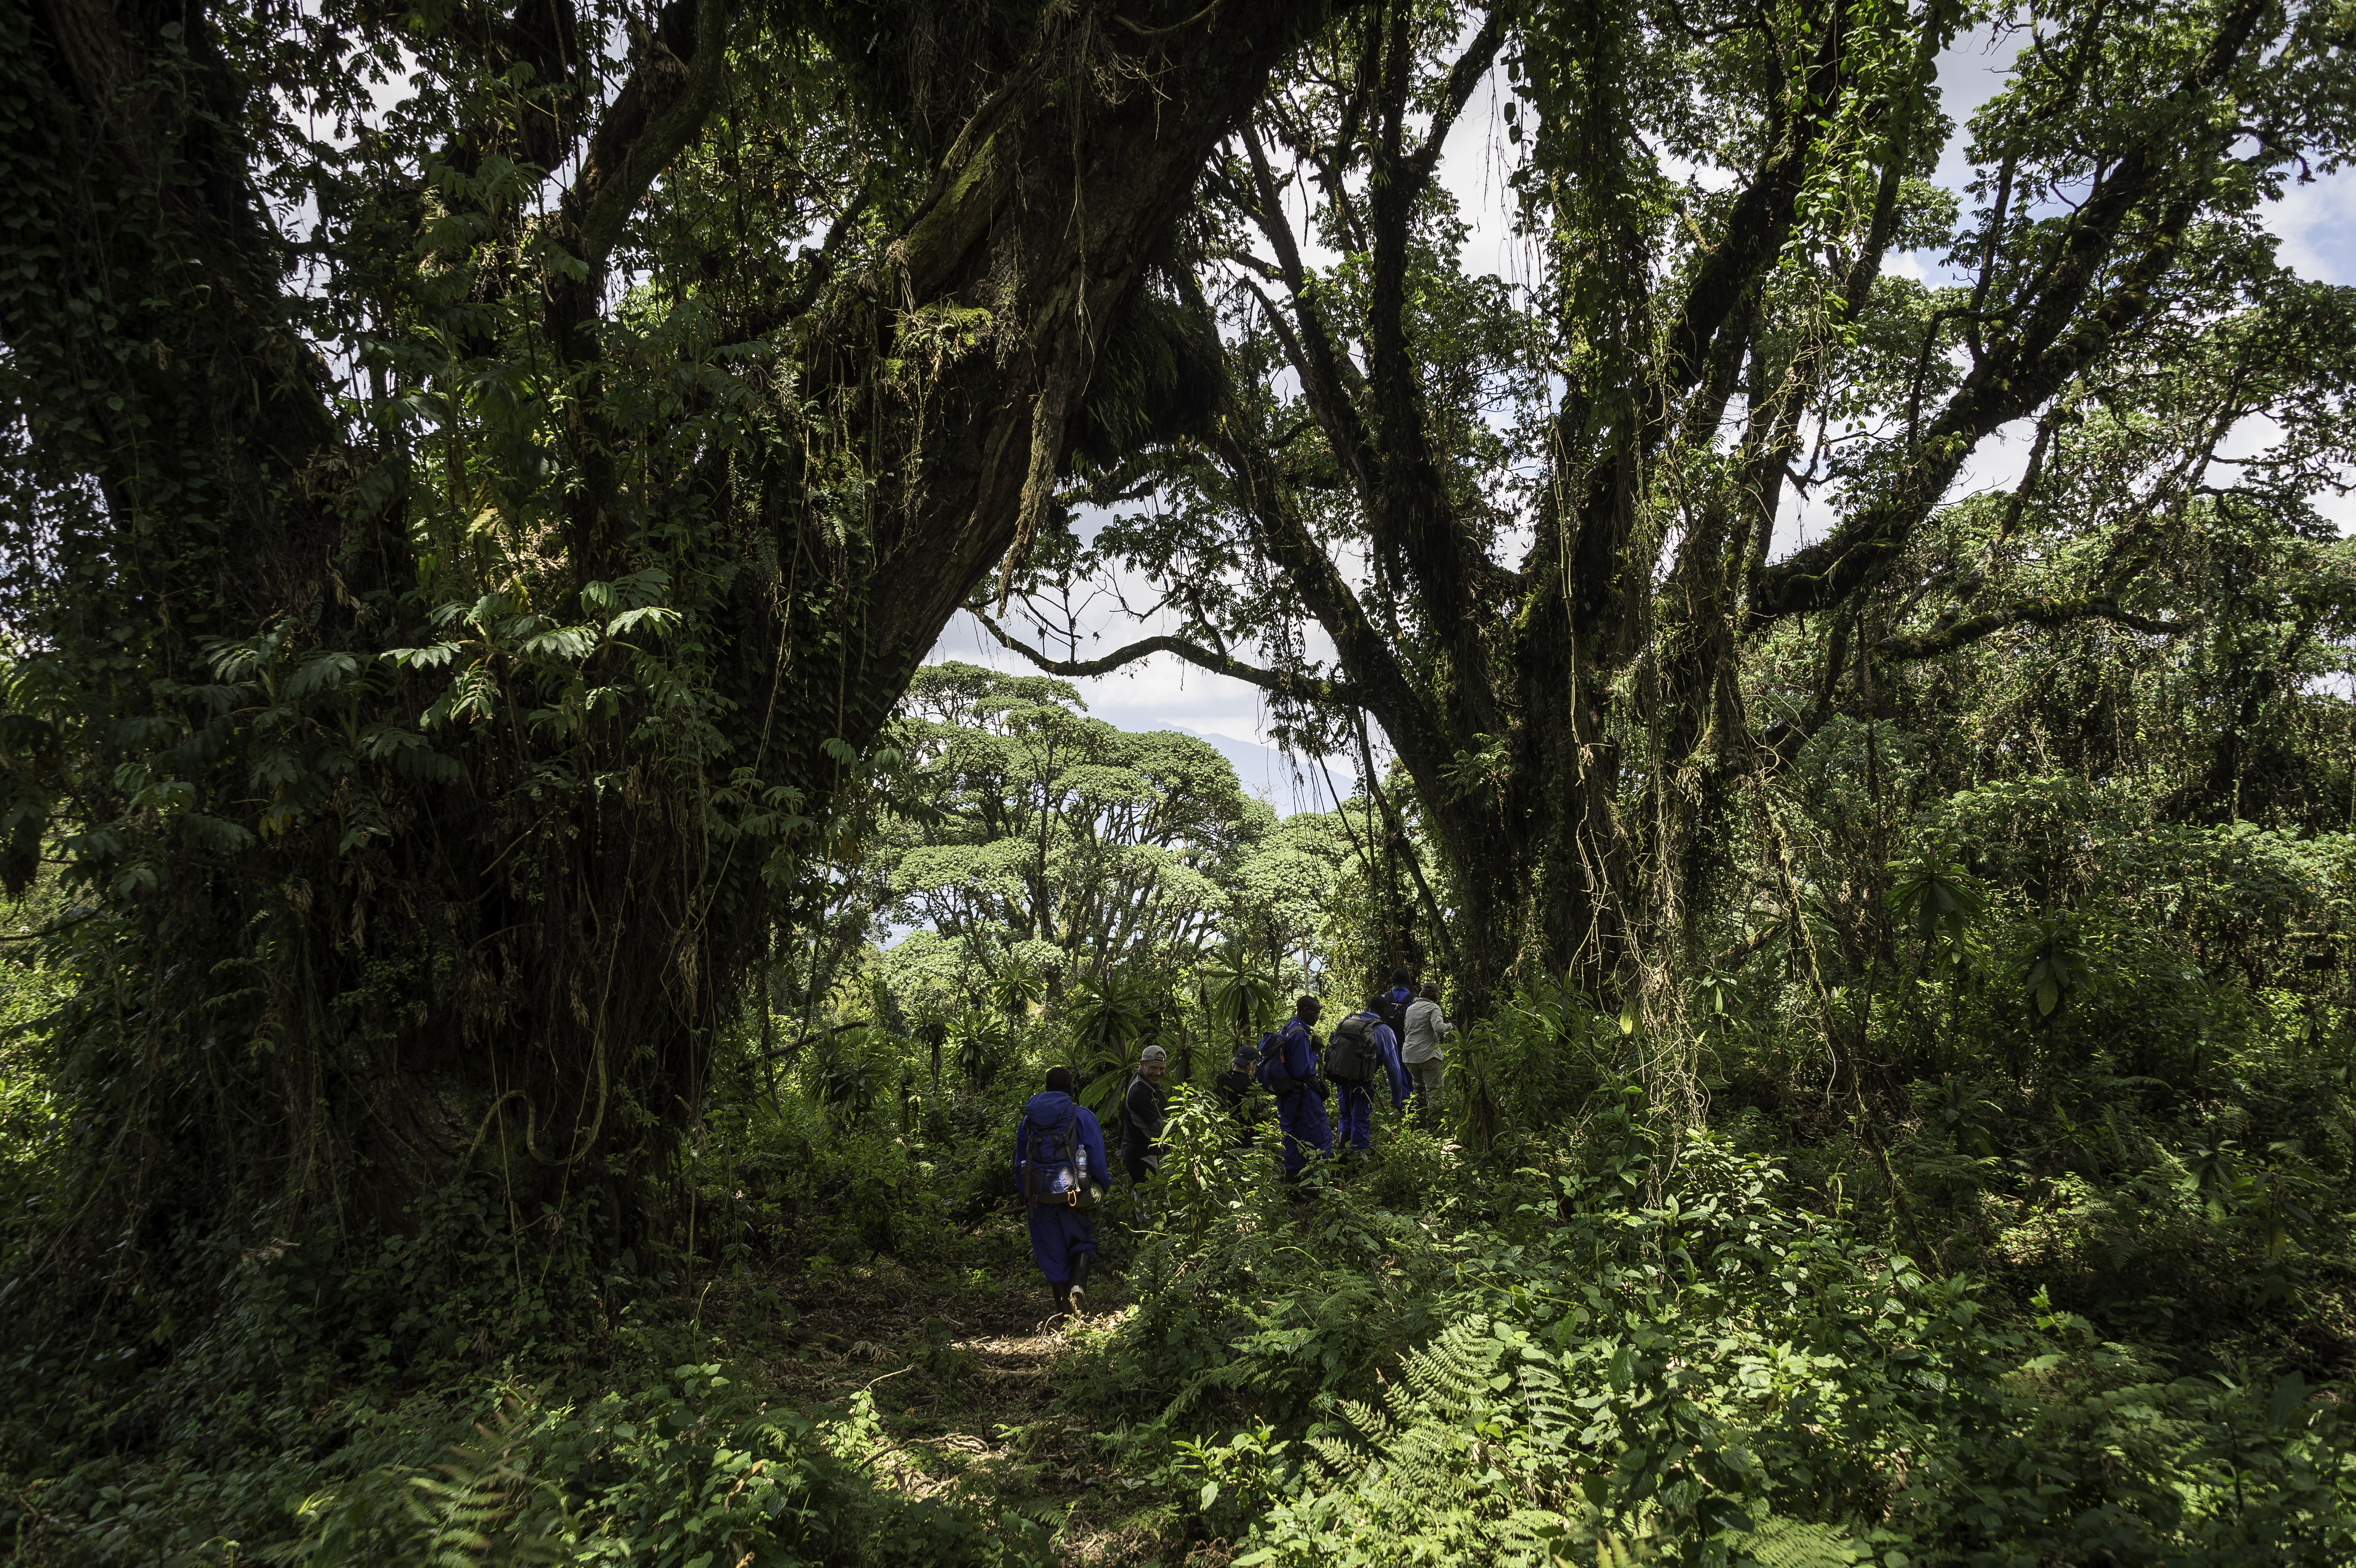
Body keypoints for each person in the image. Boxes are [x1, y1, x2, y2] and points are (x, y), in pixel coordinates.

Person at [1013, 1066, 1108, 1317]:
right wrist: (1100, 1187)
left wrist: (1029, 1197)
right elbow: (1097, 1161)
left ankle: (1065, 1317)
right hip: (1074, 1194)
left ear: (1046, 1089)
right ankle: (1079, 1288)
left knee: (1051, 1253)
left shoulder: (1029, 1122)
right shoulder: (1083, 1117)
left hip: (1040, 1199)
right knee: (1081, 1242)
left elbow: (1019, 1165)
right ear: (1072, 1089)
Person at [1260, 995, 1333, 1183]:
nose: (1318, 1017)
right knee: (1320, 1137)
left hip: (1286, 1095)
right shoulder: (1300, 1033)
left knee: (1291, 1138)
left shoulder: (1287, 1027)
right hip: (1302, 1096)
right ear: (1306, 1011)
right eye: (1316, 1013)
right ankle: (1318, 1185)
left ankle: (1292, 1185)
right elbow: (1303, 1070)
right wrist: (1315, 1052)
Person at [1324, 997, 1409, 1155]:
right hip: (1363, 1082)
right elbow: (1394, 1070)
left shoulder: (1347, 1021)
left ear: (1367, 1007)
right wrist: (1398, 1100)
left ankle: (1341, 1151)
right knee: (1361, 1118)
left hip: (1341, 1077)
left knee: (1345, 1114)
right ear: (1384, 1011)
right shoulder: (1385, 1031)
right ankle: (1357, 1159)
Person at [1401, 981, 1455, 1125]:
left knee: (1419, 1088)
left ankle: (1420, 1124)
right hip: (1429, 1055)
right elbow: (1438, 1028)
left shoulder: (1411, 1009)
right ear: (1436, 995)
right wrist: (1451, 1026)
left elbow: (1407, 1031)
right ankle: (1436, 1126)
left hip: (1410, 1056)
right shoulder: (1434, 1007)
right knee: (1434, 1090)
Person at [1121, 1043, 1170, 1182]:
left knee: (1143, 1197)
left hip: (1147, 1152)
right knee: (1151, 1199)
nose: (1158, 1073)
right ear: (1142, 1064)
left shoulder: (1148, 1080)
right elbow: (1162, 1129)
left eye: (1162, 1069)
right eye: (1153, 1068)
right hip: (1141, 1154)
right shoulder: (1139, 1092)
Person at [1214, 1044, 1260, 1147]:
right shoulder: (1249, 1085)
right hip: (1241, 1138)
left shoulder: (1221, 1078)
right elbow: (1252, 1117)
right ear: (1254, 1063)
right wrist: (1257, 1141)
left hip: (1220, 1134)